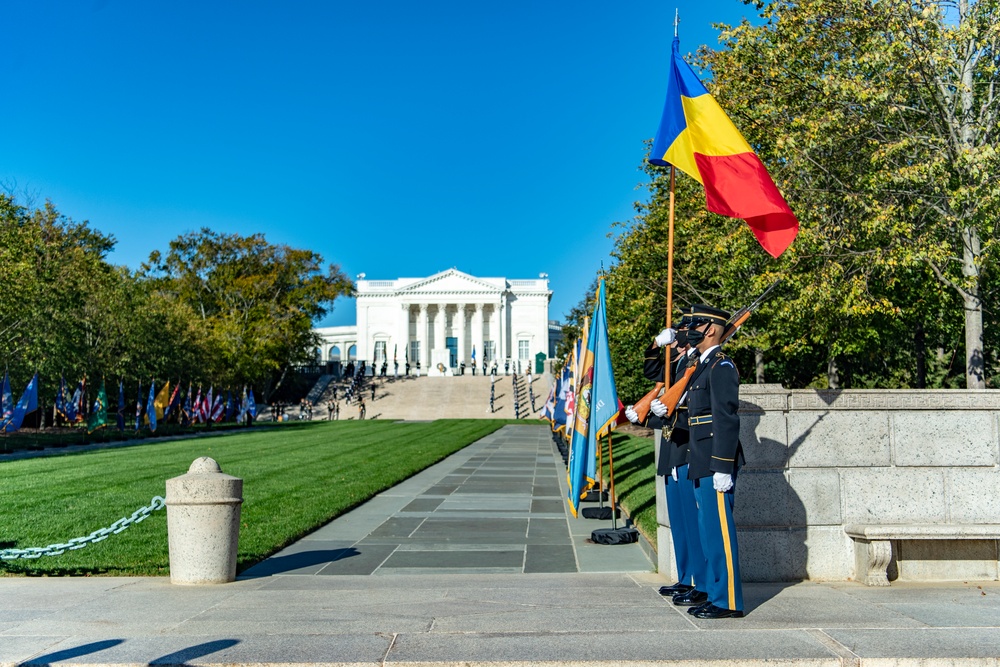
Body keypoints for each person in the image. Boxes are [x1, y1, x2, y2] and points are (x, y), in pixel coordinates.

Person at [682, 304, 745, 619]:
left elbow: (725, 419)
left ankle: (728, 600)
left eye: (696, 324)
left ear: (711, 329)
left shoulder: (721, 366)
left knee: (720, 533)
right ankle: (713, 592)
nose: (691, 329)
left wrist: (723, 465)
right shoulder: (702, 365)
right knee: (709, 532)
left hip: (715, 461)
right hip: (701, 459)